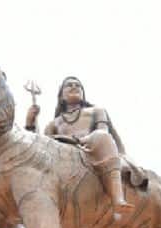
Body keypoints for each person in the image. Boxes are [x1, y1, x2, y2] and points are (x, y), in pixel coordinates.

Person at [26, 76, 133, 219]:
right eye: (68, 85)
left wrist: (78, 140)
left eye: (78, 85)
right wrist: (30, 121)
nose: (74, 87)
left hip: (91, 148)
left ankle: (117, 198)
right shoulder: (53, 124)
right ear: (61, 96)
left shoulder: (97, 111)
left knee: (102, 136)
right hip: (62, 154)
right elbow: (39, 145)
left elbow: (103, 132)